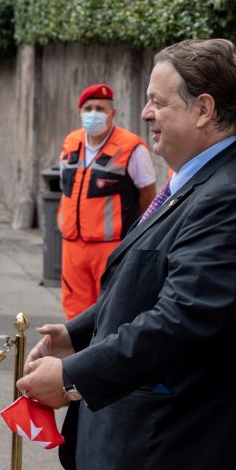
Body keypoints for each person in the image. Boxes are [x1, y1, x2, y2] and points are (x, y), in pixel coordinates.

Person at [18, 39, 236, 470]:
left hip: (186, 461)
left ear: (204, 108)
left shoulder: (232, 193)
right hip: (165, 458)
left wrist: (74, 378)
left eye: (158, 101)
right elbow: (147, 279)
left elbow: (182, 321)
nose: (144, 113)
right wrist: (79, 335)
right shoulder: (201, 178)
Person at [58, 83, 156, 320]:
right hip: (72, 244)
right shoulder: (72, 142)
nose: (93, 113)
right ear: (80, 113)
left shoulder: (131, 147)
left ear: (112, 113)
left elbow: (148, 195)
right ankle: (75, 356)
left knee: (110, 311)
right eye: (88, 108)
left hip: (111, 246)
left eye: (100, 108)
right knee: (74, 312)